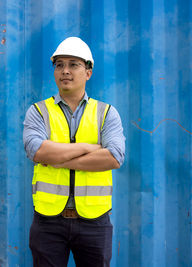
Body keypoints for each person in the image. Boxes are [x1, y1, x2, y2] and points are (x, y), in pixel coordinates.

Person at [23, 37, 125, 267]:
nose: (65, 71)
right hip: (48, 222)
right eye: (59, 65)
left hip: (95, 222)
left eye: (73, 64)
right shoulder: (38, 111)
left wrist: (59, 159)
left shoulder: (106, 113)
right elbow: (37, 150)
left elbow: (114, 156)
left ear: (88, 72)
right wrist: (88, 148)